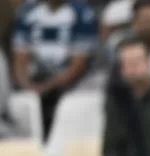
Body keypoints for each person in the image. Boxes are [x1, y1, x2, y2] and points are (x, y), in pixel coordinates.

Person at [12, 0, 97, 134]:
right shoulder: (27, 10)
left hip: (70, 80)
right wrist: (26, 85)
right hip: (36, 77)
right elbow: (20, 59)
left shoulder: (82, 11)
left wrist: (48, 86)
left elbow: (78, 64)